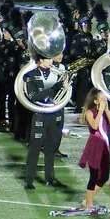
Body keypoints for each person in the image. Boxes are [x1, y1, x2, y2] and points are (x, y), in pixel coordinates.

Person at [22, 54, 65, 189]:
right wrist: (52, 89)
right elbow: (33, 96)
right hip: (40, 114)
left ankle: (50, 177)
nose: (51, 61)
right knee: (35, 147)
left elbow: (63, 93)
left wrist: (64, 84)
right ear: (40, 60)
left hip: (54, 113)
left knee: (50, 148)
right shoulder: (30, 75)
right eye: (48, 59)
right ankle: (29, 180)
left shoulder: (57, 74)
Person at [78, 88, 110, 210]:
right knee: (94, 176)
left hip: (105, 145)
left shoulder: (105, 110)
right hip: (95, 144)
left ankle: (87, 200)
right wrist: (100, 112)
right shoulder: (90, 112)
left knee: (104, 176)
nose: (105, 100)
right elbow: (94, 126)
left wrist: (107, 110)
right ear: (95, 101)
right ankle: (89, 204)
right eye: (102, 98)